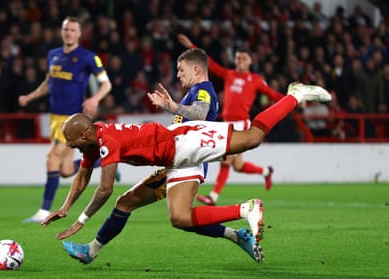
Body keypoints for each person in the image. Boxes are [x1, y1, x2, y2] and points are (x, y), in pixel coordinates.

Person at [42, 82, 331, 264]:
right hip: (174, 160)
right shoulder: (93, 139)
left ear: (84, 134)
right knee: (171, 215)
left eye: (72, 142)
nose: (70, 147)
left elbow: (104, 188)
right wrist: (65, 208)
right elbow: (82, 176)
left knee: (253, 138)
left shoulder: (107, 142)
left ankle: (295, 95)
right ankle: (91, 252)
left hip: (185, 142)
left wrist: (81, 220)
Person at [49, 48, 267, 264]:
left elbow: (200, 113)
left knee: (177, 216)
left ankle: (241, 220)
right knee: (154, 211)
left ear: (197, 70)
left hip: (185, 160)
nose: (178, 74)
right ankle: (236, 234)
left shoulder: (203, 91)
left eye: (181, 70)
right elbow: (83, 174)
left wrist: (171, 107)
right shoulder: (193, 92)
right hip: (175, 157)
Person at [18, 16, 112, 223]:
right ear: (62, 32)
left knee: (51, 158)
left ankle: (43, 211)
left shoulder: (88, 57)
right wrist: (30, 96)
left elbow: (107, 84)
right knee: (65, 170)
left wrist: (95, 99)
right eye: (66, 29)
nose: (69, 33)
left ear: (79, 33)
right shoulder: (54, 55)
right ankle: (101, 162)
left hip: (72, 120)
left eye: (72, 30)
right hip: (55, 118)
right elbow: (47, 84)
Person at [178, 34, 285, 206]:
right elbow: (210, 63)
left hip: (241, 124)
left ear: (250, 61)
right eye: (237, 58)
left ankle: (213, 197)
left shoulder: (255, 80)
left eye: (244, 58)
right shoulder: (229, 75)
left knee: (226, 160)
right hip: (227, 123)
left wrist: (293, 98)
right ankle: (266, 172)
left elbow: (272, 95)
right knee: (238, 166)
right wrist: (191, 46)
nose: (240, 61)